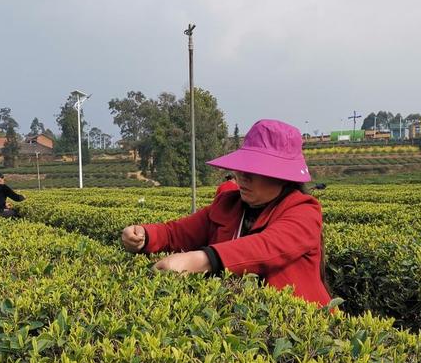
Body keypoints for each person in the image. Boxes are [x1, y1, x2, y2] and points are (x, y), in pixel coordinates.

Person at [122, 119, 332, 307]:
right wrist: (144, 235)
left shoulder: (303, 211)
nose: (242, 178)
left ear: (282, 177)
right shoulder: (228, 205)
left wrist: (203, 259)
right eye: (242, 169)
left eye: (254, 171)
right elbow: (177, 233)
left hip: (297, 330)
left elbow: (266, 247)